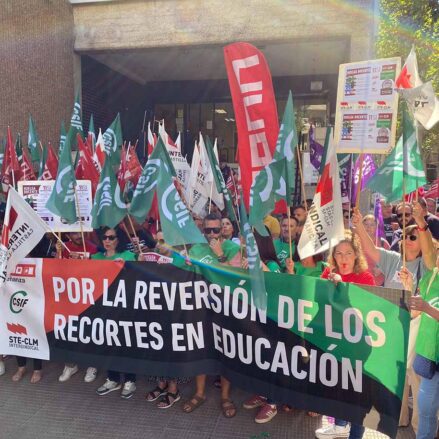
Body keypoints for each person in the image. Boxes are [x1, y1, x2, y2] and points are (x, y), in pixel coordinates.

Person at [352, 203, 436, 433]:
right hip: (392, 330)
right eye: (406, 235)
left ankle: (421, 428)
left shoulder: (429, 266)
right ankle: (397, 419)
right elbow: (370, 250)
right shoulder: (392, 259)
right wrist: (359, 225)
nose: (408, 239)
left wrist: (421, 222)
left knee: (417, 382)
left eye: (414, 236)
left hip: (418, 331)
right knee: (396, 378)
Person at [315, 231, 375, 439]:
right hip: (335, 342)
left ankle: (355, 434)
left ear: (357, 255)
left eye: (348, 253)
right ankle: (339, 425)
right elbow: (318, 302)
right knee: (337, 386)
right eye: (338, 253)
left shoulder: (365, 277)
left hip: (358, 346)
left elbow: (366, 309)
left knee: (356, 394)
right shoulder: (328, 273)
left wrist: (344, 288)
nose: (343, 259)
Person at [183, 213, 241, 418]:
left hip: (227, 308)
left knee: (226, 351)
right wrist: (186, 266)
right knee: (202, 348)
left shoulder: (233, 249)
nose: (212, 234)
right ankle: (199, 393)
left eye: (216, 230)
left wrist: (219, 255)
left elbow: (234, 277)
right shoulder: (197, 249)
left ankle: (225, 396)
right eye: (208, 230)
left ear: (223, 230)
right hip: (202, 308)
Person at [93, 226, 137, 399]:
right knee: (109, 344)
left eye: (111, 237)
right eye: (104, 237)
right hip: (103, 309)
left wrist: (130, 265)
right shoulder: (95, 258)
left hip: (125, 308)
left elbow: (141, 275)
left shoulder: (128, 257)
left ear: (118, 239)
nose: (107, 241)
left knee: (126, 344)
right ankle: (113, 378)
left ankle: (129, 380)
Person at [400, 249, 439, 439]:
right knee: (425, 412)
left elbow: (426, 309)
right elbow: (415, 313)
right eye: (438, 252)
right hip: (431, 359)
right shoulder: (430, 278)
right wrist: (409, 287)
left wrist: (428, 308)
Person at [58, 231, 99, 383]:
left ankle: (92, 365)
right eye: (74, 233)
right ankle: (70, 364)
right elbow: (57, 271)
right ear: (68, 234)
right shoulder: (63, 247)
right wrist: (58, 256)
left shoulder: (93, 248)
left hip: (89, 296)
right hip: (69, 297)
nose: (78, 235)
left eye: (79, 232)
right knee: (70, 331)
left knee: (90, 330)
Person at [361, 214, 390, 286]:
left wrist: (381, 268)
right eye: (366, 224)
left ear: (376, 227)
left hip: (378, 283)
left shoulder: (383, 243)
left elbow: (391, 261)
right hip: (360, 281)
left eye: (372, 225)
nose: (368, 227)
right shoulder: (356, 242)